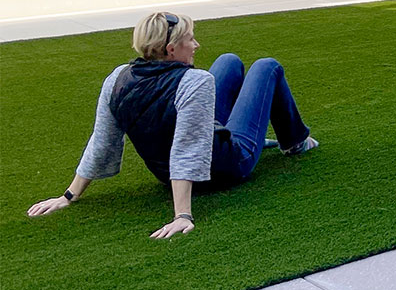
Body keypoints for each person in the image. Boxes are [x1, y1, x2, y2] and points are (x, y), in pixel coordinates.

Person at [26, 12, 318, 238]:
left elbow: (102, 141)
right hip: (227, 167)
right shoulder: (194, 81)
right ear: (169, 49)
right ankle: (294, 142)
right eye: (189, 39)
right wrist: (183, 215)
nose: (196, 45)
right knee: (267, 66)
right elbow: (187, 149)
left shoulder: (117, 78)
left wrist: (69, 196)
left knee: (228, 61)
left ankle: (267, 138)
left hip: (171, 172)